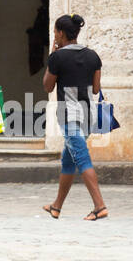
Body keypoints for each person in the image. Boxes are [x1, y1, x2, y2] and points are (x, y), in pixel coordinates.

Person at [42, 14, 108, 221]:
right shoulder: (93, 56)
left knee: (81, 158)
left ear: (61, 33)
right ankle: (56, 206)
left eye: (55, 33)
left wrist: (53, 56)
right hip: (89, 116)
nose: (55, 36)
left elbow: (47, 86)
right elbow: (96, 89)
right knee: (68, 161)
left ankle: (99, 206)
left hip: (69, 115)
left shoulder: (58, 57)